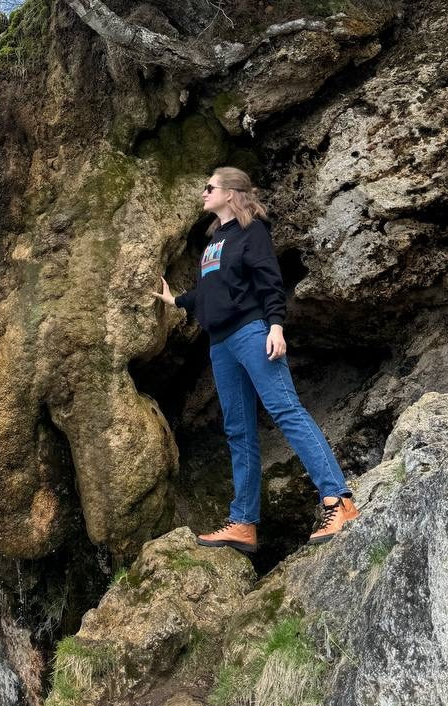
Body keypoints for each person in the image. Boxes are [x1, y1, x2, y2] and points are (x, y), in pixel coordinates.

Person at [151, 167, 358, 555]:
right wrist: (176, 300)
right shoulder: (216, 240)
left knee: (286, 410)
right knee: (238, 431)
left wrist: (275, 326)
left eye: (210, 187)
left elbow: (269, 281)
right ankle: (244, 523)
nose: (203, 192)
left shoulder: (253, 232)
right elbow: (211, 293)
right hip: (221, 344)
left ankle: (339, 501)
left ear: (231, 193)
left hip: (251, 332)